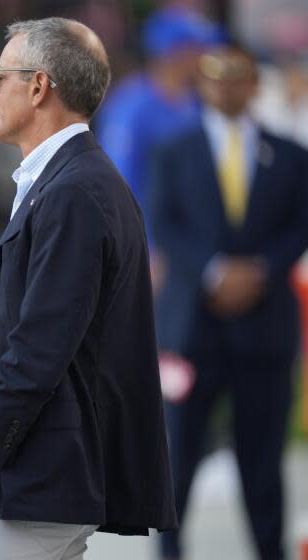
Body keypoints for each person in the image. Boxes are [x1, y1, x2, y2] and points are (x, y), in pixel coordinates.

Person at [0, 18, 177, 560]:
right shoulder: (74, 180)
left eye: (1, 76)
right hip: (44, 471)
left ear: (40, 86)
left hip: (32, 474)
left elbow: (40, 347)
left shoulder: (76, 189)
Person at [150, 44, 308, 560]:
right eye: (216, 81)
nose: (227, 89)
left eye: (238, 79)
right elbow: (163, 223)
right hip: (193, 327)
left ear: (253, 86)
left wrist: (260, 270)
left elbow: (299, 225)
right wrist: (215, 271)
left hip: (264, 330)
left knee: (262, 461)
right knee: (180, 457)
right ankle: (170, 552)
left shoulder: (289, 154)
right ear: (204, 87)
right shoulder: (175, 150)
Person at [96, 7, 219, 291]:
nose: (206, 57)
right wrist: (146, 251)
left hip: (191, 250)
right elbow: (118, 183)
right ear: (177, 53)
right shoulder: (132, 105)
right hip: (147, 252)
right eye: (198, 49)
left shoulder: (197, 103)